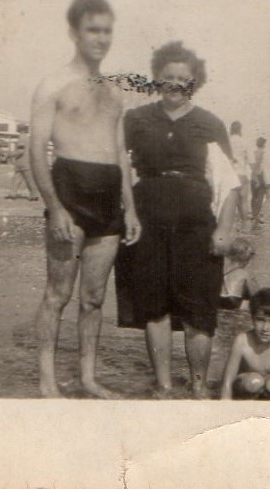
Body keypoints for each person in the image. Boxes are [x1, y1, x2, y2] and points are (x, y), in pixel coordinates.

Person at [115, 41, 239, 399]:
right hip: (147, 222)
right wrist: (129, 212)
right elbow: (120, 167)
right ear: (156, 78)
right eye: (167, 76)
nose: (175, 83)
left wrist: (224, 228)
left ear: (194, 81)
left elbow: (230, 182)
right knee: (154, 307)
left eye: (183, 78)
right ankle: (164, 385)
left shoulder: (209, 123)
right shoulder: (136, 119)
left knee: (199, 308)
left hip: (196, 226)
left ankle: (198, 386)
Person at [30, 0, 140, 398]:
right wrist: (55, 207)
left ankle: (88, 378)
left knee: (93, 298)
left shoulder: (114, 92)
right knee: (58, 294)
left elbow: (120, 153)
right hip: (70, 194)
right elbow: (36, 150)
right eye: (93, 30)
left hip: (109, 200)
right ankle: (47, 383)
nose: (101, 38)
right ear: (74, 33)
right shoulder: (53, 84)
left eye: (106, 30)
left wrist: (131, 208)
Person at [220, 288, 270, 400]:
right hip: (245, 387)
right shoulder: (242, 341)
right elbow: (227, 382)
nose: (265, 328)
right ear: (252, 318)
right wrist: (225, 405)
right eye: (260, 320)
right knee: (255, 381)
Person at [220, 238, 260, 310]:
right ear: (248, 258)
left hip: (218, 301)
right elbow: (258, 297)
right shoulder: (245, 274)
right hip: (233, 304)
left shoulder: (219, 271)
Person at [7, 127, 40, 200]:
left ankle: (13, 194)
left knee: (23, 179)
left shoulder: (21, 138)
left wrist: (10, 155)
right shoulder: (28, 138)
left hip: (22, 162)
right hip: (26, 162)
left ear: (21, 129)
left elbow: (20, 151)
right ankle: (13, 194)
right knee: (24, 179)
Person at [229, 121, 251, 226]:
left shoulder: (227, 141)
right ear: (240, 130)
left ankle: (232, 227)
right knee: (244, 201)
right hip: (242, 174)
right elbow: (250, 160)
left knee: (231, 203)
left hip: (229, 175)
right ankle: (245, 225)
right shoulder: (244, 141)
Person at [249, 137, 268, 228]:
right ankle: (256, 215)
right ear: (263, 144)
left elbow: (252, 166)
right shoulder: (263, 153)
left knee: (254, 196)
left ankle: (254, 214)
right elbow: (260, 166)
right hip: (260, 175)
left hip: (253, 176)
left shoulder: (254, 153)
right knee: (260, 196)